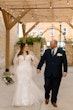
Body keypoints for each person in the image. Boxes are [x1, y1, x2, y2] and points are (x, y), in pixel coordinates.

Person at [37, 40, 68, 107]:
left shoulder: (62, 52)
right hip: (48, 73)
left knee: (55, 87)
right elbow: (42, 60)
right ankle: (47, 97)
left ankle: (54, 101)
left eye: (52, 44)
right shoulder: (47, 51)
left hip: (57, 73)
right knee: (47, 86)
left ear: (56, 44)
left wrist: (65, 71)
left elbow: (65, 62)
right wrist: (39, 67)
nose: (50, 45)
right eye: (50, 44)